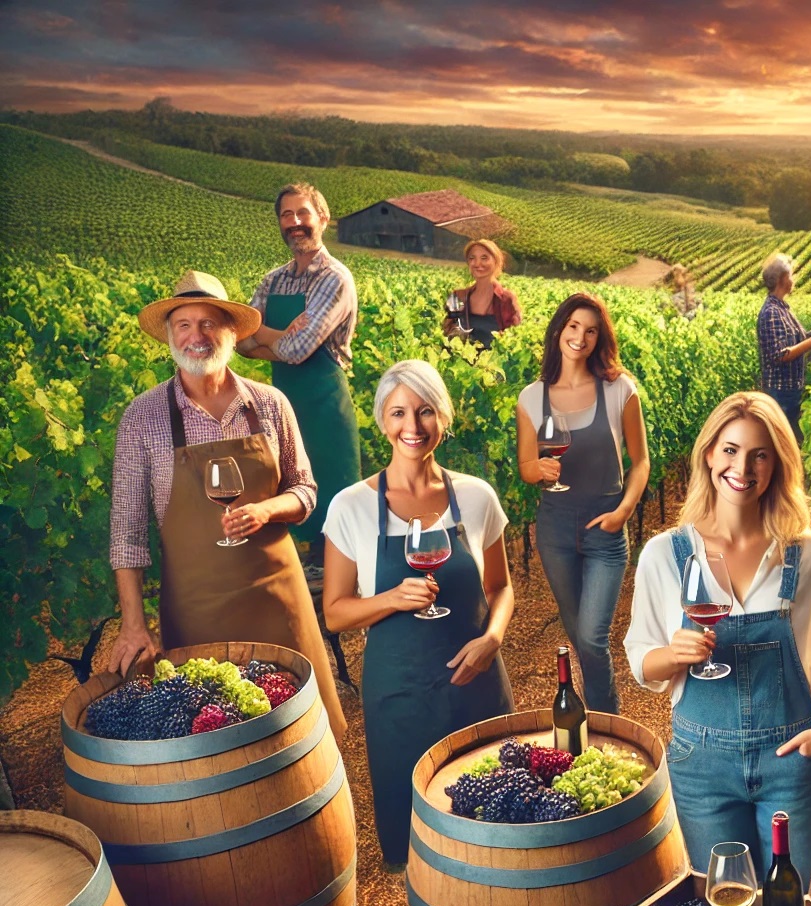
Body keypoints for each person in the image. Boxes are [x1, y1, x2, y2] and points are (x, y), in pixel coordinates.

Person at [107, 270, 347, 741]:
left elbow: (305, 491)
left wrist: (267, 511)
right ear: (171, 336)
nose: (197, 336)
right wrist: (133, 625)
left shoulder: (271, 404)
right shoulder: (142, 418)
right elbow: (127, 535)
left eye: (210, 323)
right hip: (199, 612)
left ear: (232, 332)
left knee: (304, 736)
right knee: (220, 744)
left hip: (279, 601)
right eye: (184, 325)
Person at [625, 392, 811, 881]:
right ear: (708, 454)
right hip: (701, 765)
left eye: (759, 454)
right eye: (730, 449)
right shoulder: (665, 554)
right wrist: (673, 655)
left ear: (776, 465)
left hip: (792, 758)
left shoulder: (807, 556)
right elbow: (642, 663)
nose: (742, 467)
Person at [322, 359, 515, 870]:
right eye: (399, 412)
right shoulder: (350, 507)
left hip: (477, 683)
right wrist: (391, 599)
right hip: (399, 692)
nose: (413, 426)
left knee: (498, 823)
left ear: (443, 418)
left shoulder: (476, 498)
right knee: (419, 842)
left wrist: (493, 638)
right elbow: (337, 613)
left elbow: (501, 588)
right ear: (382, 421)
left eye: (425, 411)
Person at [517, 294, 650, 715]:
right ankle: (594, 725)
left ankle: (609, 723)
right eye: (573, 326)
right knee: (578, 637)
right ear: (559, 329)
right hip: (554, 530)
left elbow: (641, 461)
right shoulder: (531, 397)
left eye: (591, 330)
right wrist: (539, 469)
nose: (580, 336)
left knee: (592, 637)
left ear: (599, 338)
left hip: (605, 529)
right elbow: (525, 466)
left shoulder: (618, 390)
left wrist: (623, 512)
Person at [240, 182, 362, 572]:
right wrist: (282, 334)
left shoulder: (335, 279)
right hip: (282, 401)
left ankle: (337, 589)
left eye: (303, 213)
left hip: (325, 403)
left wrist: (267, 338)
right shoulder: (273, 280)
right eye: (286, 215)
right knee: (289, 485)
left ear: (322, 219)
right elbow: (241, 339)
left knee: (331, 492)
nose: (294, 222)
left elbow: (298, 351)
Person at [755, 254, 811, 444]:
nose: (794, 280)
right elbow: (780, 355)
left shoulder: (782, 308)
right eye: (791, 275)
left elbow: (802, 339)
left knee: (792, 444)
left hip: (791, 391)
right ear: (782, 279)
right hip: (780, 394)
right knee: (785, 446)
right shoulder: (771, 312)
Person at [442, 238, 521, 351]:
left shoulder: (506, 299)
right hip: (460, 363)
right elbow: (446, 331)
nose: (477, 263)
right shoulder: (456, 296)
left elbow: (514, 339)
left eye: (484, 258)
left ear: (496, 261)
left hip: (493, 365)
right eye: (472, 258)